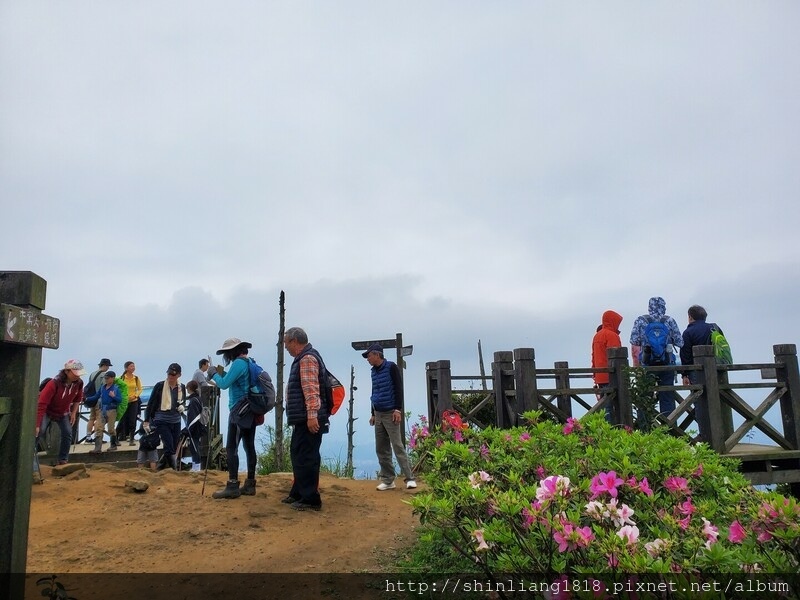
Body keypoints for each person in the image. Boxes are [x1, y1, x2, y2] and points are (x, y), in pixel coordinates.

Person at [282, 327, 328, 511]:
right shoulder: (304, 357)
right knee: (299, 453)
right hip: (303, 418)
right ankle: (299, 492)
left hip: (308, 418)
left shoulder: (307, 358)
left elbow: (311, 389)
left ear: (294, 341)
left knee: (306, 456)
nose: (286, 347)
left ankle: (310, 498)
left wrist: (312, 415)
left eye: (286, 343)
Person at [209, 338, 259, 499]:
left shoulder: (238, 363)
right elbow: (232, 379)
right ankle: (250, 484)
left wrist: (213, 374)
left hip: (239, 410)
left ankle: (232, 485)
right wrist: (220, 374)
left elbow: (223, 384)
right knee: (249, 445)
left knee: (232, 448)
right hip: (250, 409)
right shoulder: (248, 362)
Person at [362, 343, 416, 491]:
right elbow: (374, 393)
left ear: (377, 354)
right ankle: (388, 480)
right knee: (381, 448)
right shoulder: (373, 371)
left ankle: (410, 478)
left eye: (369, 356)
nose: (367, 359)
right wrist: (372, 413)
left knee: (397, 445)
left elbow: (398, 388)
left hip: (391, 412)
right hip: (378, 413)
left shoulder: (391, 367)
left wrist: (398, 409)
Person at [629, 297, 684, 417]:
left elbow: (634, 342)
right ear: (664, 307)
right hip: (667, 364)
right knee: (667, 397)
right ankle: (669, 428)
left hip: (647, 364)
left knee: (645, 397)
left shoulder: (640, 320)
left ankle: (645, 429)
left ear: (649, 307)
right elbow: (680, 342)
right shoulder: (669, 321)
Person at [680, 305, 725, 436]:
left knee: (699, 402)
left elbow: (685, 355)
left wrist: (685, 374)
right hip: (716, 370)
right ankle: (721, 433)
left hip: (696, 372)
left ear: (690, 317)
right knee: (717, 400)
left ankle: (704, 434)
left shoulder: (688, 332)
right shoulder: (715, 328)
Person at [35, 360, 86, 465]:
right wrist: (37, 424)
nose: (78, 376)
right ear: (67, 372)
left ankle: (63, 459)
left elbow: (78, 398)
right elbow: (41, 404)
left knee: (67, 433)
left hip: (63, 411)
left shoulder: (79, 383)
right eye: (75, 373)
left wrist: (73, 413)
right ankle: (30, 457)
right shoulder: (54, 384)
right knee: (39, 432)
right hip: (47, 411)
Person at [143, 363, 186, 470]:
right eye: (169, 374)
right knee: (169, 444)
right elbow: (151, 403)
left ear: (179, 375)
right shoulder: (160, 386)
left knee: (173, 445)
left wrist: (182, 406)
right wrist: (146, 420)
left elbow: (182, 401)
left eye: (173, 374)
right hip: (161, 419)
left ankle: (160, 467)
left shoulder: (182, 387)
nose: (170, 376)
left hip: (176, 420)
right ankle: (174, 469)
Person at [591, 311, 623, 422]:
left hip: (600, 376)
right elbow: (617, 356)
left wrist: (594, 375)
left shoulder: (597, 336)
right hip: (612, 376)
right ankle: (616, 429)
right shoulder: (612, 335)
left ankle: (607, 430)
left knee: (605, 406)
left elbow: (593, 356)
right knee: (616, 405)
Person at [85, 371, 121, 452]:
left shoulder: (116, 388)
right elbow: (96, 396)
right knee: (98, 427)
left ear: (112, 378)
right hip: (102, 409)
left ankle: (113, 445)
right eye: (105, 378)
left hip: (112, 409)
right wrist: (86, 399)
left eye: (107, 378)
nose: (106, 380)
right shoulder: (102, 387)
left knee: (111, 429)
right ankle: (97, 448)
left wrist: (114, 396)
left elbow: (119, 400)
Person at [84, 358, 112, 445]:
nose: (108, 368)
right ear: (104, 365)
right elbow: (105, 388)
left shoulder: (92, 374)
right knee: (99, 419)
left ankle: (88, 437)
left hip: (91, 399)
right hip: (100, 400)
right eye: (107, 366)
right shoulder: (104, 375)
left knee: (91, 418)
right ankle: (97, 437)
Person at [117, 361, 143, 446]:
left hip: (134, 401)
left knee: (133, 420)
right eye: (131, 366)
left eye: (134, 366)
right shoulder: (121, 378)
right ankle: (116, 438)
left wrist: (136, 395)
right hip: (124, 402)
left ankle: (131, 438)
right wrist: (124, 397)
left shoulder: (136, 378)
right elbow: (118, 389)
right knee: (122, 420)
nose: (133, 368)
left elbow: (140, 388)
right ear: (126, 368)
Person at [183, 380, 205, 472]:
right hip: (198, 425)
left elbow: (193, 416)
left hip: (194, 427)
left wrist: (188, 429)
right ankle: (196, 465)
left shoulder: (193, 401)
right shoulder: (197, 398)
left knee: (194, 447)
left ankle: (196, 466)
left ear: (189, 388)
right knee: (194, 446)